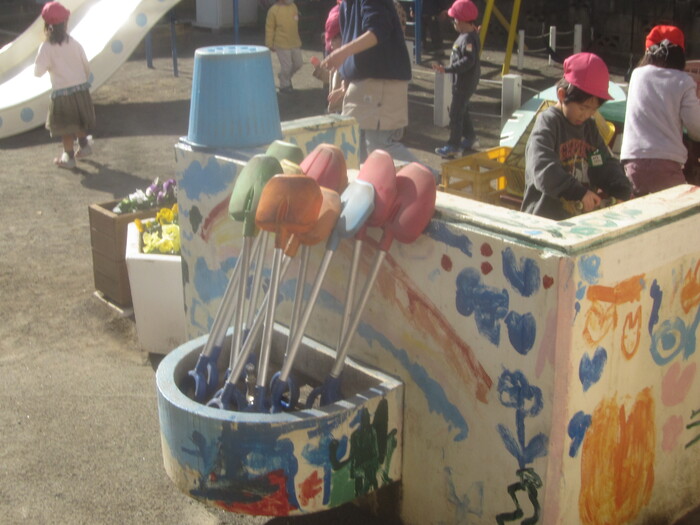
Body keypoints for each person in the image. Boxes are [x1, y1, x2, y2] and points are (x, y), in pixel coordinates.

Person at [520, 52, 632, 220]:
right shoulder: (548, 123)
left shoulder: (589, 127)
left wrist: (620, 187)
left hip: (577, 221)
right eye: (582, 107)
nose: (586, 114)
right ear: (562, 95)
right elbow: (543, 169)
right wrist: (577, 192)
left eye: (593, 109)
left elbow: (603, 162)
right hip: (543, 221)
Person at [321, 0, 419, 166]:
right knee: (353, 142)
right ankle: (367, 181)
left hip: (383, 79)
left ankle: (430, 177)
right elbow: (351, 41)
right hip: (361, 83)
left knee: (380, 146)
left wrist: (342, 53)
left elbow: (378, 30)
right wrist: (345, 84)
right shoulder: (345, 6)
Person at [620, 25, 700, 196]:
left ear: (647, 52)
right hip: (666, 162)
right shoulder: (683, 81)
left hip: (633, 161)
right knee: (677, 210)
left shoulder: (637, 75)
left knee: (639, 208)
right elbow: (696, 128)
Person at [34, 1, 95, 170]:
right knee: (78, 121)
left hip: (62, 93)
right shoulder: (74, 43)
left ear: (47, 25)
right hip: (80, 90)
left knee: (66, 128)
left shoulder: (46, 47)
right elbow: (85, 65)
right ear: (65, 23)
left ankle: (68, 157)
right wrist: (81, 81)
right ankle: (84, 146)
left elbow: (38, 72)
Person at [432, 0, 481, 159]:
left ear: (460, 21)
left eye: (454, 19)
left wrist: (447, 69)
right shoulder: (468, 36)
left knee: (455, 114)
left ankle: (454, 145)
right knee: (462, 110)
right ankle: (471, 138)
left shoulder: (467, 39)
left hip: (464, 83)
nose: (453, 22)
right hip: (463, 82)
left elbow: (468, 61)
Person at [312, 4, 345, 113]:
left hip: (344, 106)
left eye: (334, 39)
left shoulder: (348, 62)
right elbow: (330, 78)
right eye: (329, 40)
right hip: (336, 107)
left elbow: (351, 83)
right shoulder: (336, 62)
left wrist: (341, 90)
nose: (330, 44)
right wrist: (319, 69)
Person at [265, 0, 303, 94]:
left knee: (298, 63)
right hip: (281, 44)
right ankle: (284, 85)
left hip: (294, 42)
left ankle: (284, 77)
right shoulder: (273, 10)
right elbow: (269, 28)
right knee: (287, 66)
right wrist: (269, 43)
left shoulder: (293, 6)